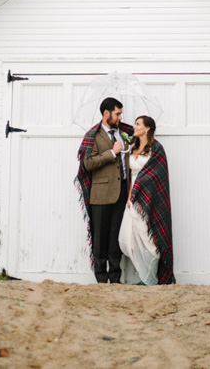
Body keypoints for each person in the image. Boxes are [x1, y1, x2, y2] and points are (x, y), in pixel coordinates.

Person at [75, 97, 133, 283]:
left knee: (116, 236)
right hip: (100, 195)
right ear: (106, 113)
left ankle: (115, 278)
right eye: (117, 113)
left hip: (121, 192)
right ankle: (101, 278)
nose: (120, 117)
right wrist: (112, 153)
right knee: (100, 238)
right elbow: (88, 163)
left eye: (121, 113)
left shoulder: (124, 133)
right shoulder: (93, 135)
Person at [119, 115, 175, 285]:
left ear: (148, 128)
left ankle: (150, 279)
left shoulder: (156, 149)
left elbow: (156, 175)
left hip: (149, 200)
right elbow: (131, 177)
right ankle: (146, 275)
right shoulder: (132, 147)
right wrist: (130, 196)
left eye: (138, 124)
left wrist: (137, 192)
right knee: (129, 238)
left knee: (149, 240)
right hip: (133, 199)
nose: (134, 127)